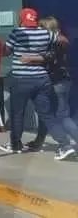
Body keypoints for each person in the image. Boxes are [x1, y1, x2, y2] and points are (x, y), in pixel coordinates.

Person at [0, 8, 75, 160]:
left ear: (20, 20)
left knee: (17, 113)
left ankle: (15, 145)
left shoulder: (17, 33)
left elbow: (5, 52)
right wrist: (42, 54)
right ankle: (65, 145)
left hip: (22, 80)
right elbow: (64, 41)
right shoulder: (45, 33)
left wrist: (5, 47)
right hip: (42, 80)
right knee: (47, 115)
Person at [22, 16, 78, 152]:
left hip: (56, 83)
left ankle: (66, 144)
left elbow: (49, 57)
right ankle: (38, 142)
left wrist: (30, 59)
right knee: (46, 114)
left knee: (61, 116)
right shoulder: (60, 40)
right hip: (63, 81)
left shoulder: (52, 43)